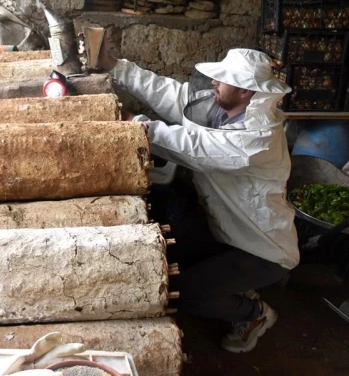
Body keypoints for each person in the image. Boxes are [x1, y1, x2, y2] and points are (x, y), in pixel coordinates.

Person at [97, 45, 300, 353]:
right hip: (222, 227)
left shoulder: (256, 139)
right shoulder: (222, 108)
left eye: (224, 80)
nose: (215, 83)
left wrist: (132, 122)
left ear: (246, 92)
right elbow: (171, 94)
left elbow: (190, 146)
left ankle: (254, 315)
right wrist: (114, 65)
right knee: (156, 247)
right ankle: (235, 287)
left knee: (183, 293)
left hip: (260, 246)